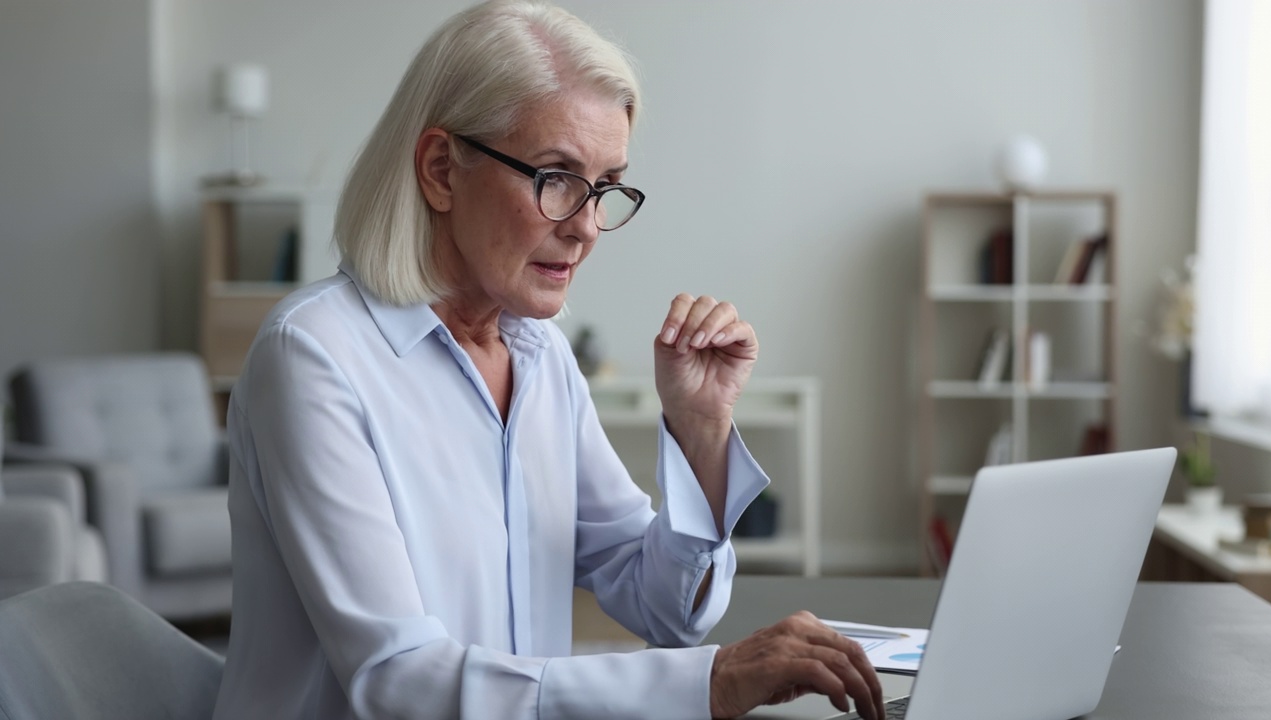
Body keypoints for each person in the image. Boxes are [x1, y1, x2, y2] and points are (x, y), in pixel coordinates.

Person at [212, 2, 883, 719]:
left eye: (604, 187)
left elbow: (666, 607)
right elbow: (398, 681)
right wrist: (709, 684)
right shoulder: (314, 357)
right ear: (441, 169)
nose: (587, 227)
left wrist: (700, 431)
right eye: (556, 178)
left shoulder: (540, 357)